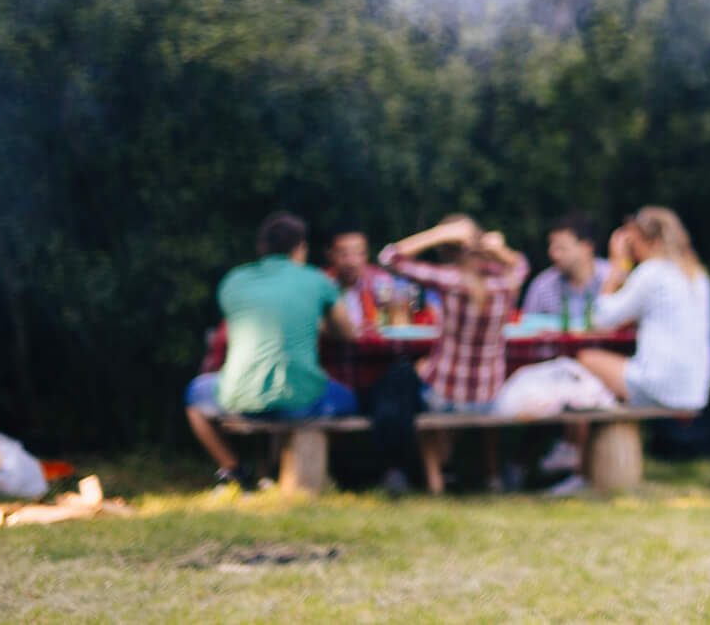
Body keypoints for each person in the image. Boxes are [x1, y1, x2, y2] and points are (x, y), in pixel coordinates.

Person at [546, 205, 710, 495]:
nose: (631, 251)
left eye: (632, 243)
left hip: (659, 384)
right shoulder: (696, 274)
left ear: (650, 241)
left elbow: (601, 318)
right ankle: (582, 463)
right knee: (602, 372)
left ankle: (575, 458)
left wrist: (616, 267)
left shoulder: (652, 273)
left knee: (585, 358)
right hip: (694, 387)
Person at [184, 212, 358, 490]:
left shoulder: (234, 281)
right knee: (350, 399)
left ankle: (234, 469)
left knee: (194, 395)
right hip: (301, 399)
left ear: (261, 247)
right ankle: (330, 475)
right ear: (300, 249)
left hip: (239, 396)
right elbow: (348, 332)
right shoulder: (316, 280)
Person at [374, 215, 529, 494]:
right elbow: (522, 265)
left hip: (445, 398)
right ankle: (491, 475)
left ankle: (435, 481)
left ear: (448, 249)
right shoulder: (506, 283)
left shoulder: (450, 279)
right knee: (437, 375)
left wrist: (437, 233)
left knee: (415, 378)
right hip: (488, 398)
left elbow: (389, 257)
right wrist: (497, 249)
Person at [519, 213, 609, 327]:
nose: (554, 255)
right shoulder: (542, 285)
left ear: (586, 248)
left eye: (561, 248)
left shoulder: (613, 277)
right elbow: (526, 330)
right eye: (552, 248)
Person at [323, 229, 409, 333]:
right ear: (330, 254)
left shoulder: (379, 279)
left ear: (366, 255)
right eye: (344, 254)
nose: (351, 262)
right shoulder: (322, 284)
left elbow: (396, 309)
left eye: (358, 253)